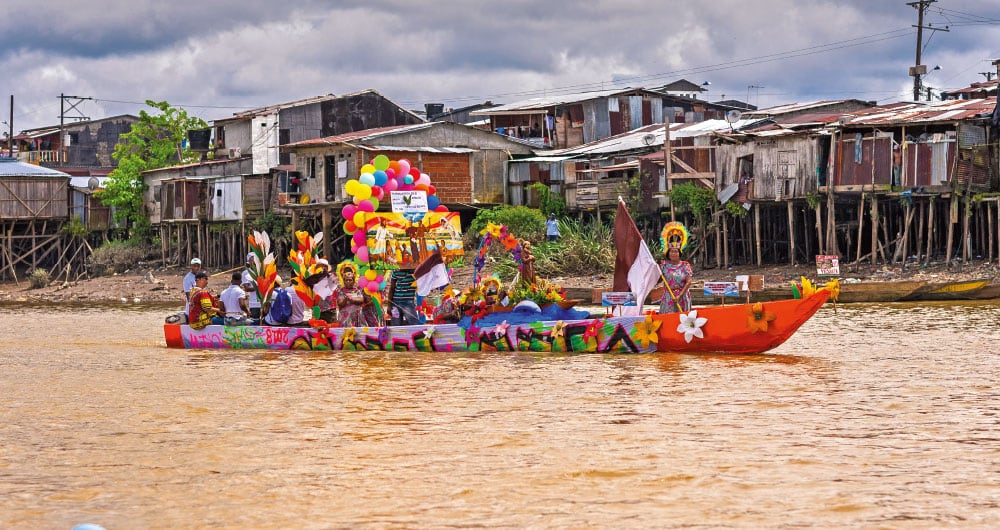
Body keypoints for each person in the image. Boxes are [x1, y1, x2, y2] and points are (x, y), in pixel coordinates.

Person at [334, 261, 379, 327]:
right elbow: (340, 303)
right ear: (344, 281)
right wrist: (345, 300)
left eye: (350, 280)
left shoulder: (357, 290)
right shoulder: (341, 291)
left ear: (353, 280)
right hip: (345, 318)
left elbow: (361, 300)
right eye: (346, 280)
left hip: (357, 317)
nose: (348, 282)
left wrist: (352, 299)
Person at [659, 246, 693, 314]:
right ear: (668, 253)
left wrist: (679, 296)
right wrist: (657, 270)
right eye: (671, 251)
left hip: (682, 296)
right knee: (669, 319)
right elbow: (659, 280)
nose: (673, 254)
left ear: (679, 253)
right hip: (669, 296)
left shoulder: (685, 265)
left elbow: (688, 282)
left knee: (683, 319)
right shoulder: (664, 266)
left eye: (676, 252)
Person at [241, 252, 262, 319]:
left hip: (265, 302)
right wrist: (260, 287)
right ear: (248, 262)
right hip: (255, 303)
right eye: (252, 259)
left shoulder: (262, 271)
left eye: (256, 259)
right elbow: (247, 288)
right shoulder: (246, 273)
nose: (254, 261)